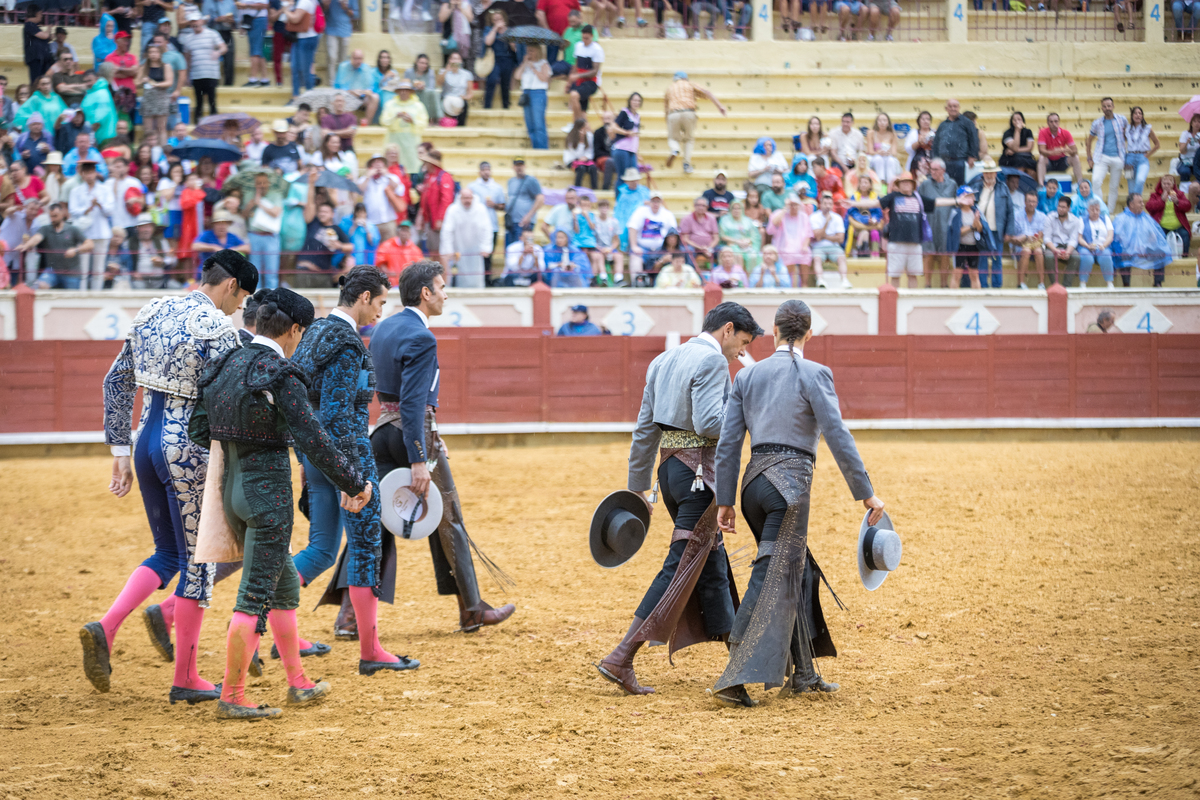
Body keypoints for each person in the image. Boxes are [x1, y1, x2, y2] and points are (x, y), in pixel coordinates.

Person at [189, 287, 370, 720]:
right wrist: (353, 481)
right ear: (293, 330)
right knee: (254, 598)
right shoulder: (279, 373)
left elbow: (199, 428)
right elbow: (313, 437)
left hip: (230, 488)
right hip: (265, 495)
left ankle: (298, 682)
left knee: (285, 586)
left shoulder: (224, 364)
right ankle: (232, 695)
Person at [85, 250, 256, 699]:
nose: (238, 308)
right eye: (241, 299)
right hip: (187, 450)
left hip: (145, 441)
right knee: (198, 561)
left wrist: (119, 449)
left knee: (167, 551)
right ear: (232, 286)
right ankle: (185, 679)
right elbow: (234, 394)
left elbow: (116, 380)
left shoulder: (152, 308)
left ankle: (106, 626)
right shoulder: (219, 328)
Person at [711, 299, 882, 708]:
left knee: (797, 570)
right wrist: (866, 493)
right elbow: (838, 436)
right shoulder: (815, 373)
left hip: (753, 487)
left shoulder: (748, 377)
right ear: (809, 333)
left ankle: (803, 672)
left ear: (773, 331)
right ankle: (733, 674)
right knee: (772, 575)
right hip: (789, 489)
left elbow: (729, 443)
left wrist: (725, 499)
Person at [596, 302, 762, 697]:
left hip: (670, 474)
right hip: (698, 478)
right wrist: (748, 412)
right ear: (727, 329)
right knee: (682, 566)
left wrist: (638, 485)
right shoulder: (711, 362)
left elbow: (644, 428)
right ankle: (621, 657)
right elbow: (709, 423)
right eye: (743, 341)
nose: (741, 351)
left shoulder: (663, 360)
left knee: (712, 567)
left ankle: (736, 671)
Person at [369, 260, 518, 631]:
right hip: (412, 435)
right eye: (442, 287)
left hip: (382, 433)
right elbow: (414, 402)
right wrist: (421, 455)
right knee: (449, 517)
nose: (446, 294)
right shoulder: (423, 337)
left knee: (378, 522)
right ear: (426, 293)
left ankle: (349, 615)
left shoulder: (384, 327)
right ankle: (472, 608)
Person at [289, 266, 418, 673]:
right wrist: (351, 476)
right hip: (346, 458)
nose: (380, 311)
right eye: (380, 302)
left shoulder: (313, 333)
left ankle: (267, 625)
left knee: (323, 547)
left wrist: (307, 461)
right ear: (364, 298)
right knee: (365, 548)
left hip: (313, 454)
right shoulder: (346, 342)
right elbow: (337, 414)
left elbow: (298, 403)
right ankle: (371, 651)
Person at [849, 170, 956, 289]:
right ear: (899, 185)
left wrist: (957, 201)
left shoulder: (918, 198)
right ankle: (895, 303)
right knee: (895, 276)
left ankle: (913, 302)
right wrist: (852, 203)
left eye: (908, 182)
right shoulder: (893, 197)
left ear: (912, 184)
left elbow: (937, 202)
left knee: (913, 275)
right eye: (903, 182)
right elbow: (875, 203)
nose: (905, 184)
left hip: (914, 243)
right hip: (896, 242)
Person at [16, 202, 93, 289]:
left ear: (62, 214)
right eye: (51, 216)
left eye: (55, 216)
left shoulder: (73, 229)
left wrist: (76, 250)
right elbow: (37, 238)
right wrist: (26, 245)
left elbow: (90, 244)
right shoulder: (46, 229)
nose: (52, 219)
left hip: (72, 273)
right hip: (52, 270)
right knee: (40, 285)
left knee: (71, 300)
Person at [663, 71, 726, 174]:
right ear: (685, 78)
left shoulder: (669, 88)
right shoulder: (690, 84)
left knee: (673, 138)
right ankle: (686, 165)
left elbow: (666, 107)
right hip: (689, 112)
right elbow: (707, 93)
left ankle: (675, 150)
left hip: (673, 114)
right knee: (689, 139)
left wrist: (668, 120)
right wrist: (720, 106)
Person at [67, 160, 115, 290]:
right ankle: (82, 295)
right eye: (86, 173)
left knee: (98, 269)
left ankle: (96, 294)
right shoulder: (76, 190)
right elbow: (72, 211)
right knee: (83, 268)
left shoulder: (105, 189)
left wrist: (99, 204)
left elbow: (110, 210)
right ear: (82, 174)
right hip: (84, 235)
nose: (89, 176)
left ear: (95, 173)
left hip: (101, 233)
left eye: (91, 172)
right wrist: (87, 209)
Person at [1113, 193, 1173, 288]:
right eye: (1140, 202)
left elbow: (1154, 235)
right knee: (1123, 254)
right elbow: (1118, 238)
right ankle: (1126, 284)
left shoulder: (1146, 217)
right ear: (1131, 204)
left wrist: (1146, 245)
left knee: (1161, 252)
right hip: (1127, 249)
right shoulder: (1121, 219)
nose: (1142, 204)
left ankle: (1158, 283)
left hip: (1145, 248)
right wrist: (1134, 247)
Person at [439, 187, 493, 288]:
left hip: (476, 251)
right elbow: (447, 231)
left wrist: (486, 247)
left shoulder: (481, 209)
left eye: (469, 198)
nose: (467, 200)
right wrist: (448, 250)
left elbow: (487, 229)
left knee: (476, 277)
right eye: (464, 198)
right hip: (457, 250)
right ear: (460, 198)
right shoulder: (453, 210)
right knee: (457, 277)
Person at [1084, 98, 1129, 215]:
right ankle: (1100, 208)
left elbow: (1128, 135)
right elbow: (1089, 141)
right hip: (1101, 156)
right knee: (1096, 181)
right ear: (1102, 108)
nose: (1107, 108)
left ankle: (1109, 211)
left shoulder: (1122, 120)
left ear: (1113, 106)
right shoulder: (1097, 123)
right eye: (1104, 106)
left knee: (1114, 186)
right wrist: (1089, 158)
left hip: (1118, 157)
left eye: (1109, 106)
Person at [918, 158, 958, 288]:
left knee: (945, 255)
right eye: (931, 169)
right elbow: (918, 203)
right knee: (928, 255)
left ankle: (944, 285)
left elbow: (957, 206)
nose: (932, 172)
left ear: (943, 170)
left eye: (935, 170)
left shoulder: (952, 184)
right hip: (929, 225)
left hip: (946, 226)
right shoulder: (925, 184)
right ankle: (927, 285)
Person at [178, 11, 226, 117]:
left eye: (196, 21)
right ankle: (198, 125)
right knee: (198, 102)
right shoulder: (188, 38)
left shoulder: (212, 33)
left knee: (212, 101)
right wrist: (187, 76)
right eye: (192, 22)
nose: (194, 23)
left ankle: (214, 125)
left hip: (211, 73)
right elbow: (187, 59)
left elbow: (224, 47)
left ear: (201, 21)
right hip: (196, 74)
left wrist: (218, 52)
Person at [244, 172, 284, 290]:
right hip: (254, 235)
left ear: (268, 183)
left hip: (270, 236)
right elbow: (244, 215)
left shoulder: (276, 195)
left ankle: (271, 297)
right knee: (255, 270)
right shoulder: (249, 195)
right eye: (258, 183)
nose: (261, 185)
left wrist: (260, 203)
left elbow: (276, 213)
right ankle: (256, 297)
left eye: (263, 182)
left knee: (271, 270)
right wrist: (251, 205)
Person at [380, 79, 429, 173]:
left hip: (411, 139)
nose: (403, 92)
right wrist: (395, 117)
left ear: (410, 92)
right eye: (401, 90)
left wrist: (412, 121)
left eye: (406, 90)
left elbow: (424, 122)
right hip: (394, 138)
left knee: (412, 163)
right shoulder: (390, 105)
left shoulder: (418, 106)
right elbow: (383, 121)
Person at [627, 190, 677, 281]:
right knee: (635, 259)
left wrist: (670, 249)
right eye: (653, 201)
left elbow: (673, 233)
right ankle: (637, 284)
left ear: (661, 202)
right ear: (649, 202)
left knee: (671, 258)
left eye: (658, 201)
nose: (655, 204)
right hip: (642, 249)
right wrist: (634, 246)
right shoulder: (641, 211)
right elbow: (632, 227)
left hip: (661, 249)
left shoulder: (667, 214)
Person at [766, 192, 812, 288]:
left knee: (806, 254)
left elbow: (808, 234)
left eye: (795, 205)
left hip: (800, 246)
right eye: (791, 205)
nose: (793, 207)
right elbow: (774, 224)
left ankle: (804, 284)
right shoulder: (780, 213)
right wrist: (785, 209)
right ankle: (788, 285)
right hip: (784, 246)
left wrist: (804, 246)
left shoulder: (803, 216)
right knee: (788, 254)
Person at [809, 191, 852, 289]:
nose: (827, 206)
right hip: (818, 247)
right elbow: (817, 237)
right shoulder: (814, 217)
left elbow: (840, 239)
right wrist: (826, 223)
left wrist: (824, 236)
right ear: (820, 204)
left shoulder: (837, 218)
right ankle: (820, 280)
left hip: (834, 247)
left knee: (841, 257)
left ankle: (844, 280)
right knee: (817, 259)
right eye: (825, 204)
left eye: (830, 204)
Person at [931, 98, 977, 187]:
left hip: (960, 161)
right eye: (950, 106)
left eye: (955, 106)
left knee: (960, 186)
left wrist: (972, 156)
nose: (953, 108)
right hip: (944, 162)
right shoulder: (942, 124)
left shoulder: (967, 122)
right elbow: (936, 143)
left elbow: (973, 139)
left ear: (959, 108)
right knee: (945, 186)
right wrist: (935, 158)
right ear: (946, 108)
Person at [137, 44, 175, 147]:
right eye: (151, 52)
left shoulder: (166, 66)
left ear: (160, 54)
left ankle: (162, 149)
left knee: (161, 128)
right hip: (148, 98)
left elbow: (169, 82)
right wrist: (142, 81)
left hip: (161, 98)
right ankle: (147, 150)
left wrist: (155, 84)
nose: (153, 54)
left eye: (155, 52)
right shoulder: (144, 67)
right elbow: (137, 83)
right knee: (148, 129)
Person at [1147, 174, 1193, 259]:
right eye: (1164, 184)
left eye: (1169, 184)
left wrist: (1177, 202)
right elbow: (1149, 207)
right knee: (1157, 237)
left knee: (1185, 235)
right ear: (1161, 184)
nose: (1166, 186)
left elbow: (1188, 206)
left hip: (1178, 226)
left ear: (1173, 185)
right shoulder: (1155, 195)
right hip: (1162, 226)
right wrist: (1161, 200)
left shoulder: (1179, 194)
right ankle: (1160, 258)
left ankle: (1184, 258)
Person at [946, 185, 983, 289]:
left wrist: (977, 222)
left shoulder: (976, 211)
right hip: (960, 246)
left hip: (973, 246)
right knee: (957, 273)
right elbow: (956, 232)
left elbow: (980, 229)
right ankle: (954, 299)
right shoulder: (956, 213)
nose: (972, 199)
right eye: (969, 196)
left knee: (974, 274)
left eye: (972, 196)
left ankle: (976, 299)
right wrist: (972, 226)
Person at [1042, 195, 1083, 287]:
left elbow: (1073, 239)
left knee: (1076, 257)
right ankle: (1054, 285)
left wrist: (1068, 252)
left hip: (1067, 246)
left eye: (1063, 207)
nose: (1060, 209)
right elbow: (1046, 238)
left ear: (1069, 208)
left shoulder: (1075, 221)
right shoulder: (1050, 217)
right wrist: (1055, 250)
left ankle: (1066, 286)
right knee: (1048, 256)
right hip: (1053, 246)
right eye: (1059, 206)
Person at [482, 10, 518, 110]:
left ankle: (506, 106)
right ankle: (487, 106)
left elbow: (514, 47)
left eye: (499, 19)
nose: (498, 21)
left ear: (504, 19)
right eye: (495, 19)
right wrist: (495, 29)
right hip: (494, 59)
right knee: (492, 80)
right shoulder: (488, 29)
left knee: (505, 84)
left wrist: (506, 33)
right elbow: (488, 42)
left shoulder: (510, 30)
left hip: (507, 59)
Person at [284, 0, 319, 104]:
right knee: (295, 68)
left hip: (306, 39)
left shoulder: (305, 1)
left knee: (305, 70)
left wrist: (285, 10)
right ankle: (296, 98)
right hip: (299, 38)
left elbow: (295, 19)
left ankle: (310, 98)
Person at [334, 49, 381, 126]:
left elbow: (371, 86)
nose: (358, 61)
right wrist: (351, 91)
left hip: (362, 96)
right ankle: (350, 125)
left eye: (360, 59)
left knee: (375, 97)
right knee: (348, 98)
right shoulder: (343, 67)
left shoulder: (366, 68)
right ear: (351, 58)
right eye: (356, 58)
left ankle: (366, 124)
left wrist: (367, 91)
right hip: (348, 95)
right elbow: (338, 86)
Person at [1036, 112, 1083, 188]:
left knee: (1075, 158)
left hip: (1061, 161)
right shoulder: (1043, 132)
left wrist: (1066, 150)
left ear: (1059, 122)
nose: (1054, 123)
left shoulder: (1066, 133)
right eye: (1051, 122)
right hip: (1049, 161)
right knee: (1041, 158)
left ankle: (1080, 184)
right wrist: (1052, 152)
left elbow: (1075, 151)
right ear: (1048, 123)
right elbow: (1041, 150)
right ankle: (1041, 185)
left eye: (1056, 121)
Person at [566, 26, 603, 122]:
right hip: (580, 81)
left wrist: (577, 76)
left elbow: (594, 72)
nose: (584, 40)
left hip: (591, 82)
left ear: (592, 36)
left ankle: (577, 124)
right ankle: (583, 129)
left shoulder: (597, 49)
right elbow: (576, 65)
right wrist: (569, 82)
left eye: (587, 38)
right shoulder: (578, 46)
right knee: (581, 111)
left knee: (574, 96)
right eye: (583, 38)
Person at [1012, 192, 1048, 290]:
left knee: (1038, 251)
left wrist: (1032, 238)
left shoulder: (1042, 216)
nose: (1031, 204)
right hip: (1020, 245)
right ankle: (1021, 283)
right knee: (1026, 251)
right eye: (1029, 201)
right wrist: (1026, 237)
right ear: (1024, 202)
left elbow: (1041, 234)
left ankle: (1041, 283)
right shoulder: (1016, 215)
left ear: (1037, 203)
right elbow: (1014, 237)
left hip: (1036, 244)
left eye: (1034, 202)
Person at [1078, 199, 1115, 289]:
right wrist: (1087, 245)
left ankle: (1109, 282)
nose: (1095, 212)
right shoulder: (1082, 220)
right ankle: (1083, 283)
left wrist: (1104, 245)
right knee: (1087, 257)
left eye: (1097, 209)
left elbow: (1110, 235)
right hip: (1086, 246)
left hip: (1102, 246)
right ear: (1088, 210)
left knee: (1106, 255)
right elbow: (1079, 237)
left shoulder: (1105, 219)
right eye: (1092, 209)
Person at [505, 157, 543, 246]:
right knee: (510, 250)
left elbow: (540, 199)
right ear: (513, 167)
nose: (519, 167)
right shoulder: (511, 181)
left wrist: (529, 216)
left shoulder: (531, 180)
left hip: (524, 223)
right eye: (517, 165)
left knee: (522, 249)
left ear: (525, 166)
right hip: (511, 222)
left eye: (521, 165)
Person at [718, 198, 761, 276]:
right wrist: (737, 242)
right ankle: (738, 279)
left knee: (753, 256)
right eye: (734, 208)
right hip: (731, 245)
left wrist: (748, 241)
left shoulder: (747, 220)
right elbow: (722, 236)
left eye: (739, 208)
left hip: (746, 245)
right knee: (738, 256)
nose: (736, 210)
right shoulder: (725, 220)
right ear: (730, 209)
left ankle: (750, 278)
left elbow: (754, 235)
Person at [1122, 107, 1158, 199]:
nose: (1138, 115)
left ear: (1142, 116)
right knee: (1130, 184)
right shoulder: (1127, 129)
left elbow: (1157, 144)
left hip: (1142, 157)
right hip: (1129, 158)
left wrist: (1147, 155)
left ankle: (1136, 202)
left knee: (1140, 180)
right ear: (1132, 115)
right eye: (1135, 113)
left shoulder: (1147, 128)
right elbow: (1121, 141)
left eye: (1140, 113)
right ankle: (1132, 206)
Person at [845, 174, 882, 258]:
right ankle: (860, 254)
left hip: (872, 224)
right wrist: (865, 219)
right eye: (861, 183)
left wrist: (873, 219)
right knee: (864, 233)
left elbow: (878, 212)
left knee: (875, 233)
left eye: (866, 183)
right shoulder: (855, 196)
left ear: (870, 185)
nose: (863, 185)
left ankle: (875, 255)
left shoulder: (875, 196)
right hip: (858, 224)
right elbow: (853, 212)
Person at [323, 0, 359, 86]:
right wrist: (326, 5)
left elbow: (356, 14)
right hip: (331, 29)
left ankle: (341, 83)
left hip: (345, 30)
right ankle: (332, 84)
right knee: (332, 57)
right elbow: (323, 12)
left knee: (343, 60)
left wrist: (346, 8)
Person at [678, 196, 719, 270]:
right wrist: (700, 248)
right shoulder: (687, 219)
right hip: (693, 247)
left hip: (709, 247)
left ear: (707, 207)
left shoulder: (712, 218)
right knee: (688, 250)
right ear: (694, 206)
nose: (701, 207)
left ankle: (720, 275)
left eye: (703, 205)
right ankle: (691, 272)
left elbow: (716, 238)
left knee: (724, 250)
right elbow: (685, 239)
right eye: (698, 205)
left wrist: (709, 248)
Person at [610, 92, 642, 183]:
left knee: (634, 177)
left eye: (638, 101)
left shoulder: (637, 116)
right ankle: (619, 197)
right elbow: (613, 127)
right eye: (634, 100)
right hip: (622, 148)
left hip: (632, 149)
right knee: (623, 176)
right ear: (630, 101)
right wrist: (626, 132)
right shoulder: (624, 112)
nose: (636, 102)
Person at [437, 52, 474, 127]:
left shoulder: (467, 74)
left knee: (464, 105)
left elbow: (470, 93)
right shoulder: (443, 72)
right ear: (449, 60)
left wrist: (465, 97)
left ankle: (461, 127)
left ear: (461, 61)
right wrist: (446, 70)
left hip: (460, 100)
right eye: (453, 59)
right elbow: (439, 83)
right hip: (446, 99)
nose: (455, 61)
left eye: (457, 59)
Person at [403, 54, 441, 125]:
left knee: (430, 93)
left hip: (425, 93)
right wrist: (415, 87)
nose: (424, 65)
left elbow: (432, 86)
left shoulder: (430, 72)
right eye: (422, 63)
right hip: (413, 93)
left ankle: (432, 118)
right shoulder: (409, 72)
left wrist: (423, 87)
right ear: (416, 62)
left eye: (426, 63)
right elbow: (406, 85)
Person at [865, 112, 902, 185]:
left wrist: (888, 153)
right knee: (879, 159)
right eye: (880, 120)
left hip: (887, 157)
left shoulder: (892, 134)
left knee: (891, 160)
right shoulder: (871, 133)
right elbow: (870, 151)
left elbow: (894, 152)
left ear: (888, 123)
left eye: (884, 120)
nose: (882, 123)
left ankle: (890, 184)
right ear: (877, 122)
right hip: (875, 157)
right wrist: (878, 153)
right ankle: (880, 183)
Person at [1000, 111, 1037, 177]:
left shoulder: (1028, 132)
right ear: (1011, 121)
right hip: (1011, 158)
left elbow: (1029, 148)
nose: (1017, 121)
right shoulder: (1007, 133)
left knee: (1032, 171)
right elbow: (1015, 146)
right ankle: (1018, 186)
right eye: (1014, 120)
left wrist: (1015, 151)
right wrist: (1017, 131)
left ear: (1023, 120)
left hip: (1026, 157)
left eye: (1019, 119)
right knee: (1020, 164)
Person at [23, 5, 53, 85]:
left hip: (42, 59)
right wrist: (49, 28)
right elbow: (45, 36)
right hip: (35, 59)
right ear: (36, 13)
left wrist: (48, 36)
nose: (41, 16)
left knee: (43, 81)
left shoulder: (35, 27)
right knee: (36, 82)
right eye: (40, 13)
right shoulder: (29, 25)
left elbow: (45, 38)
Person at [1177, 114, 1200, 183]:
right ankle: (1183, 192)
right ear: (1191, 123)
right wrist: (1187, 143)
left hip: (1198, 162)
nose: (1197, 124)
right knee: (1184, 171)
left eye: (1199, 121)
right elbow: (1182, 151)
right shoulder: (1185, 134)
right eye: (1194, 121)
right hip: (1186, 160)